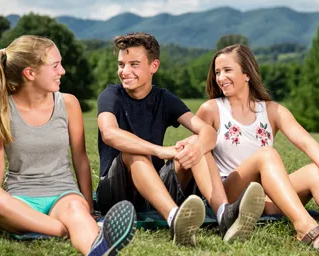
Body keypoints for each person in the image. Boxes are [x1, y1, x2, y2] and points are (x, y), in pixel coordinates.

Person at [196, 44, 319, 250]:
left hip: (264, 199)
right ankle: (305, 227)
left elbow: (308, 143)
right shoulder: (211, 110)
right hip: (228, 195)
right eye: (217, 72)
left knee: (314, 172)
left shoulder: (272, 110)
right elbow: (196, 158)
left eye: (227, 70)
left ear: (247, 73)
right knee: (267, 154)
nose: (220, 77)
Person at [95, 32, 265, 246]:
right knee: (133, 152)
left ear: (153, 66)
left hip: (154, 191)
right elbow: (109, 133)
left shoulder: (164, 98)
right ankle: (175, 218)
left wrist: (197, 147)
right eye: (121, 64)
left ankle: (224, 215)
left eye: (134, 64)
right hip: (116, 193)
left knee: (196, 142)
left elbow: (208, 132)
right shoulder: (111, 96)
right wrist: (160, 150)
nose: (125, 71)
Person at [0, 35, 136, 256]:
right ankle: (64, 229)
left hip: (63, 193)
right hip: (20, 198)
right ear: (30, 73)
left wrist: (88, 208)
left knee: (76, 211)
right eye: (55, 66)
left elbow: (80, 159)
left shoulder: (68, 103)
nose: (62, 71)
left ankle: (97, 250)